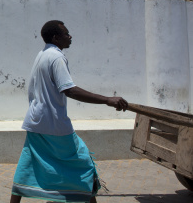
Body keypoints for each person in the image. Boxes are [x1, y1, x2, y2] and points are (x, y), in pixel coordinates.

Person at [10, 20, 128, 203]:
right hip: (54, 124)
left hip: (36, 121)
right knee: (84, 164)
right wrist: (107, 100)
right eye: (66, 33)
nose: (70, 36)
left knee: (28, 163)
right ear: (56, 37)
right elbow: (69, 89)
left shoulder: (42, 54)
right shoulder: (56, 58)